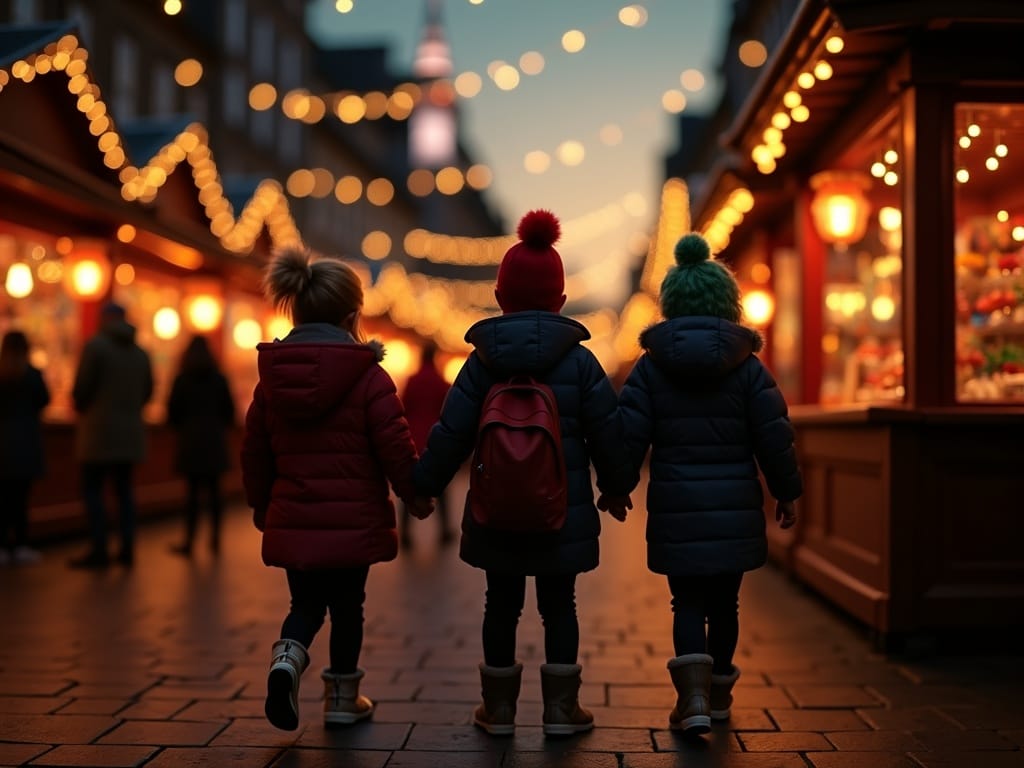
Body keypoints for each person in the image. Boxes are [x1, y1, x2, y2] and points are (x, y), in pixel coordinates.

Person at [413, 210, 636, 737]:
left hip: (498, 508)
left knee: (501, 604)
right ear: (560, 301)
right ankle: (561, 710)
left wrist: (422, 488)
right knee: (561, 606)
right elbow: (608, 430)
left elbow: (451, 432)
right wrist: (618, 487)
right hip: (565, 510)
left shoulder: (481, 361)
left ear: (499, 296)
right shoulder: (581, 364)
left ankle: (500, 709)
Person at [616, 232, 803, 736]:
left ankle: (691, 697)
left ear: (671, 303)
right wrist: (786, 490)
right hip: (735, 505)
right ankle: (719, 694)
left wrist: (615, 487)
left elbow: (628, 434)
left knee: (687, 602)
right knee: (726, 603)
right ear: (728, 302)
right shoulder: (748, 368)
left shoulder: (651, 368)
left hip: (677, 504)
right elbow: (774, 435)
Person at [241, 247, 431, 732]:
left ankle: (287, 658)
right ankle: (343, 698)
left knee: (304, 605)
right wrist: (414, 493)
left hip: (294, 518)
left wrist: (263, 507)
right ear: (352, 316)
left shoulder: (271, 382)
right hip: (353, 522)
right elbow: (394, 445)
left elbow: (255, 453)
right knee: (348, 609)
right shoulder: (369, 377)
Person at [69, 302, 154, 569]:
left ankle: (99, 547)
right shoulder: (141, 354)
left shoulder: (96, 348)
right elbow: (148, 392)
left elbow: (82, 389)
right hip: (130, 434)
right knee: (124, 492)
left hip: (98, 432)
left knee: (93, 491)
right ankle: (127, 547)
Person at [166, 334, 236, 558]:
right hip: (214, 441)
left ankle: (189, 541)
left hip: (190, 441)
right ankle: (215, 540)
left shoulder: (182, 379)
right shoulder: (219, 379)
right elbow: (229, 412)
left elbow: (172, 412)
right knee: (215, 493)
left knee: (192, 494)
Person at [0, 330, 50, 565]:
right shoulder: (32, 375)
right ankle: (20, 545)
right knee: (20, 498)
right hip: (26, 441)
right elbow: (44, 401)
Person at [398, 340, 453, 550]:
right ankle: (445, 531)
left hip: (413, 439)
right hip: (436, 441)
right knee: (441, 489)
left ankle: (405, 534)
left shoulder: (412, 381)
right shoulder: (442, 383)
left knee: (410, 487)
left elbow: (403, 407)